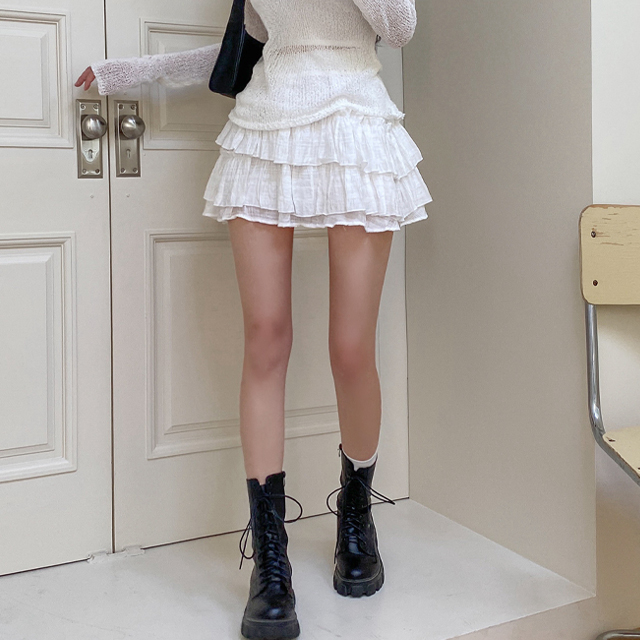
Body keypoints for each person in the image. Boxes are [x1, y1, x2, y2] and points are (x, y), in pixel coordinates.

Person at [76, 0, 430, 637]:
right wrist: (130, 72)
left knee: (351, 349)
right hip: (264, 128)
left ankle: (356, 514)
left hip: (356, 128)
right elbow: (246, 48)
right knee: (265, 341)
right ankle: (271, 558)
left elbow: (400, 28)